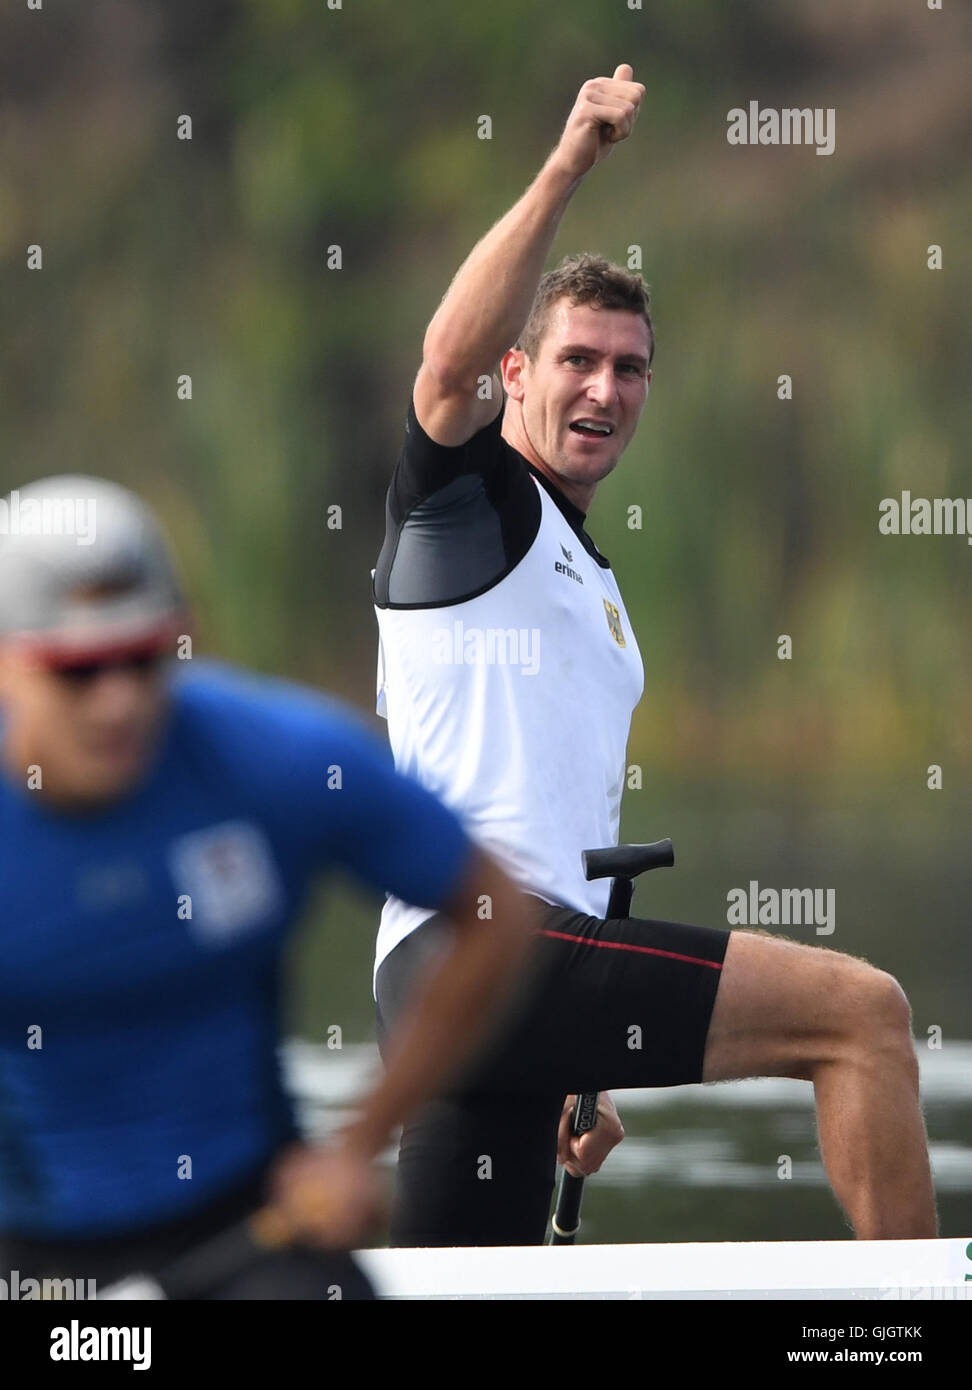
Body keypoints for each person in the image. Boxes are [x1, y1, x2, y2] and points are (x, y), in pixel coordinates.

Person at [371, 64, 937, 1246]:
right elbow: (442, 366)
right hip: (476, 950)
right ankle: (921, 1322)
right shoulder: (467, 509)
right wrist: (570, 160)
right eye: (577, 359)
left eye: (630, 368)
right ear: (518, 377)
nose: (605, 388)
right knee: (864, 1018)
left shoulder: (590, 575)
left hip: (489, 997)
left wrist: (590, 1051)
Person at [0, 474, 533, 1298]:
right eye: (78, 671)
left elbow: (493, 911)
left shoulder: (277, 763)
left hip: (246, 1231)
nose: (120, 703)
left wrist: (356, 1148)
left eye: (144, 660)